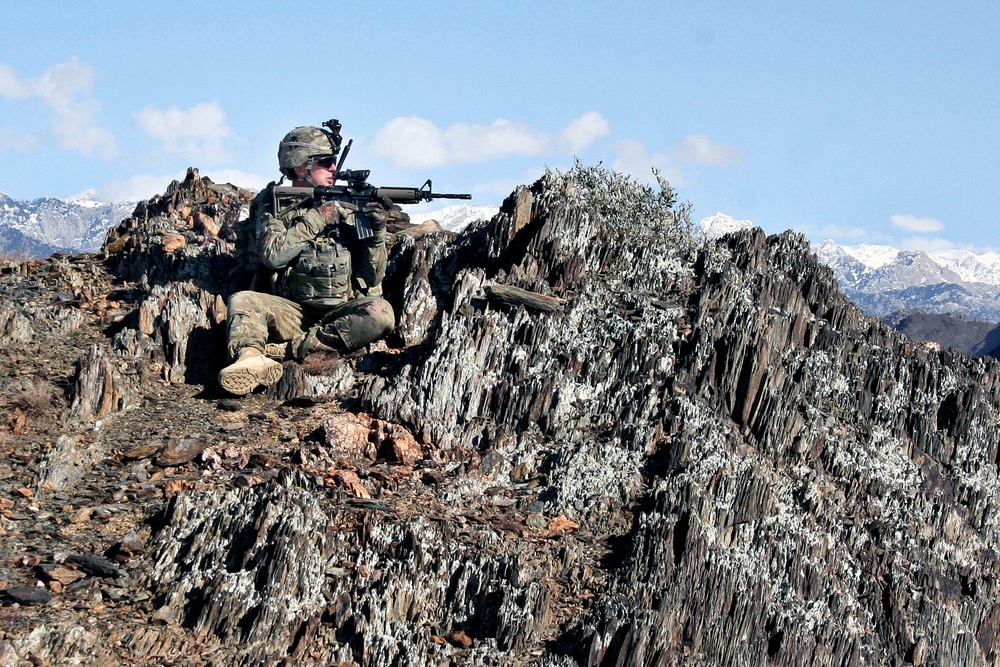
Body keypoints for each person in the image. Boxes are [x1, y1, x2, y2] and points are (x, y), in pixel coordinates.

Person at [217, 124, 402, 396]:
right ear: (300, 166)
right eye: (325, 162)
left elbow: (372, 278)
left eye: (334, 163)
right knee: (243, 300)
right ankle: (250, 357)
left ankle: (287, 350)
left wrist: (376, 233)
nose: (333, 170)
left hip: (341, 310)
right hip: (292, 310)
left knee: (381, 313)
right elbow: (273, 255)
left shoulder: (349, 207)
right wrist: (318, 217)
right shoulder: (273, 206)